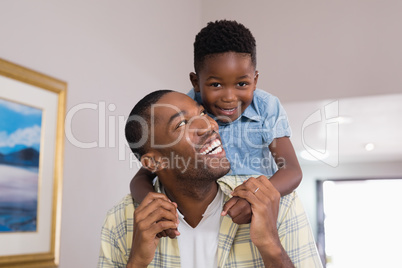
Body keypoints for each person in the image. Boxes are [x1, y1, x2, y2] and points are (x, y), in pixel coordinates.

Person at [98, 90, 322, 268]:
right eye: (182, 124)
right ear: (154, 163)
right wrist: (136, 263)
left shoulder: (277, 204)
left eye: (203, 113)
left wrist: (272, 247)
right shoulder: (121, 221)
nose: (210, 125)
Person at [130, 20, 302, 227]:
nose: (229, 97)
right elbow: (141, 178)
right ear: (196, 83)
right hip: (207, 210)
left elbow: (292, 170)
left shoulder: (267, 107)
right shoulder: (186, 110)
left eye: (242, 84)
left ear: (255, 80)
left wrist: (252, 197)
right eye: (216, 84)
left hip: (253, 206)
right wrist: (153, 203)